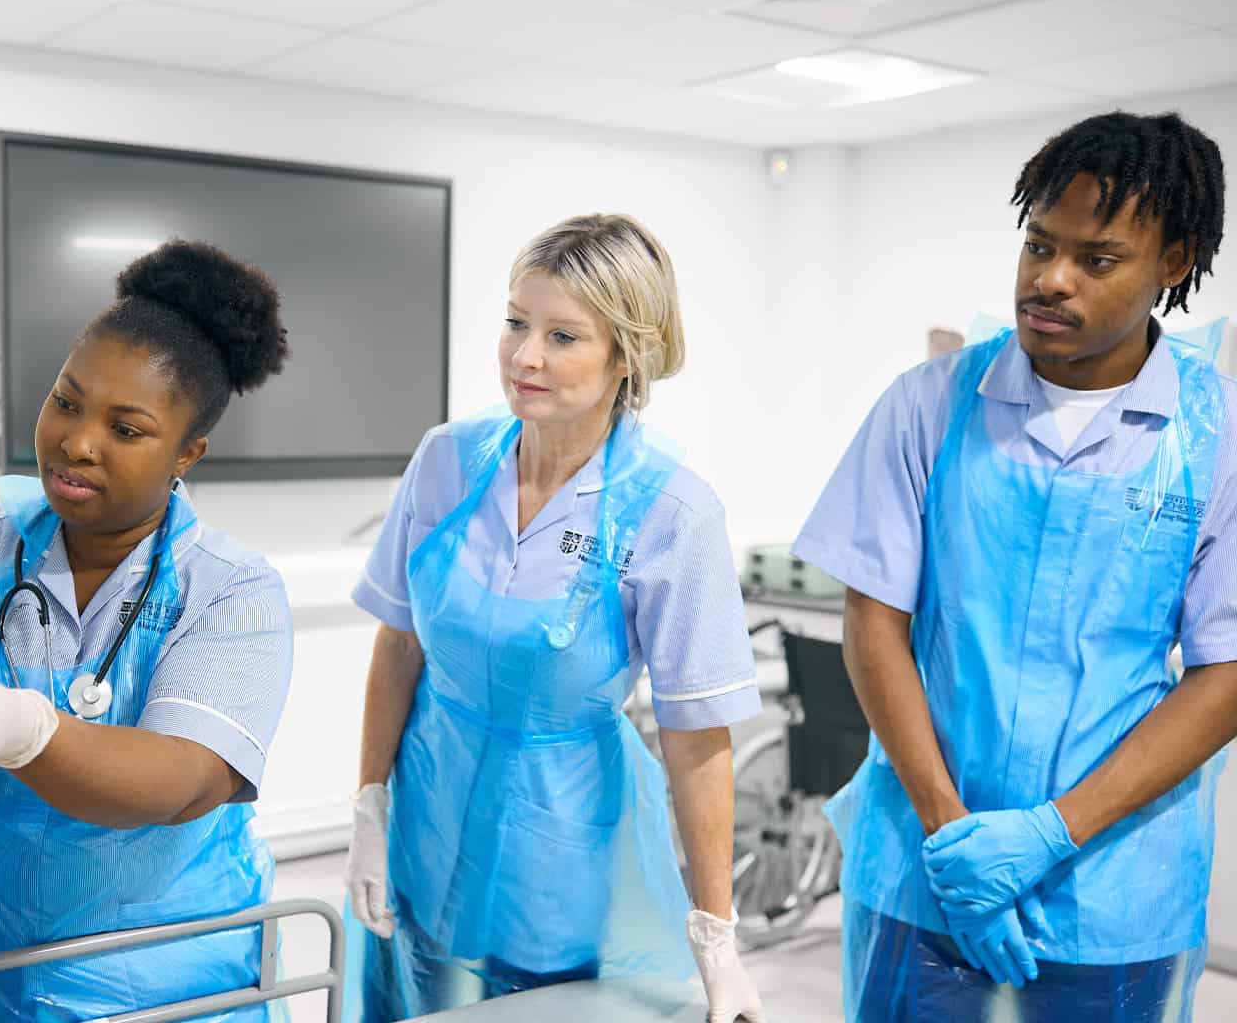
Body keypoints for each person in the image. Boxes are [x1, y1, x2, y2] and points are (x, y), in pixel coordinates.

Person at [795, 110, 1237, 1021]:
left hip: (1110, 885)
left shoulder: (1217, 437)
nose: (1050, 279)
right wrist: (951, 834)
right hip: (925, 868)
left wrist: (1049, 834)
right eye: (1039, 243)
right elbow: (875, 623)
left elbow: (1227, 672)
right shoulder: (930, 406)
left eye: (1098, 259)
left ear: (1176, 261)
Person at [0, 239, 294, 1021]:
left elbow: (182, 780)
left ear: (189, 452)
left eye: (127, 429)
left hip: (161, 985)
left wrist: (24, 730)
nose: (77, 441)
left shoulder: (232, 593)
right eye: (67, 400)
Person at [343, 214, 766, 1021]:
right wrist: (369, 804)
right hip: (426, 809)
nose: (524, 356)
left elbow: (697, 735)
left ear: (627, 355)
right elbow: (399, 644)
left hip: (560, 832)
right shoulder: (446, 462)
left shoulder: (671, 512)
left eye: (563, 336)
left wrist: (716, 933)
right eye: (515, 323)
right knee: (412, 995)